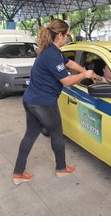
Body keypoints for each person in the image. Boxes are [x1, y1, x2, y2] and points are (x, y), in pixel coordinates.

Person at [13, 19, 97, 185]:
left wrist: (86, 71)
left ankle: (18, 173)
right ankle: (61, 168)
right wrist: (85, 76)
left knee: (30, 136)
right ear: (60, 35)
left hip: (30, 100)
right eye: (66, 35)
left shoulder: (52, 51)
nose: (67, 38)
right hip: (43, 103)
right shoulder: (52, 54)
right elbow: (66, 81)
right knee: (57, 133)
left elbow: (70, 63)